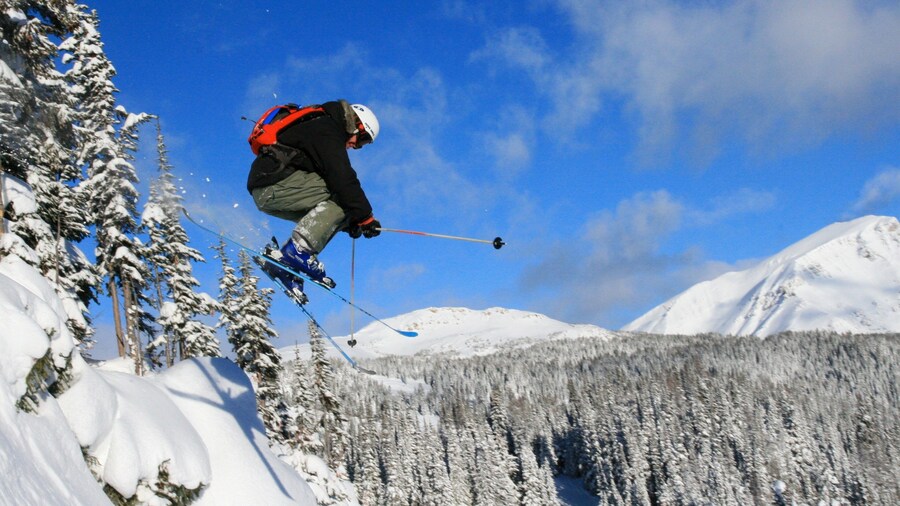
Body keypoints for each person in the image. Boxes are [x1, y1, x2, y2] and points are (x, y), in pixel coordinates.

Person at [247, 99, 381, 298]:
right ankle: (298, 251)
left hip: (270, 190)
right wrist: (365, 216)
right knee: (342, 195)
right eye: (361, 140)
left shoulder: (322, 126)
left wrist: (350, 222)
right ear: (357, 125)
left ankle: (284, 265)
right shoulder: (327, 128)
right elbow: (342, 177)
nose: (355, 146)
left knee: (346, 207)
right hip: (275, 184)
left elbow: (329, 206)